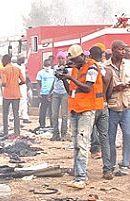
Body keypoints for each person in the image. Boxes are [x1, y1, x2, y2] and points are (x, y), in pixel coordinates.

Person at [60, 44, 104, 189]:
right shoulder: (74, 69)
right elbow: (70, 91)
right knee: (75, 144)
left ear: (82, 56)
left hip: (87, 109)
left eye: (75, 59)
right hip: (75, 108)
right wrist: (63, 79)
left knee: (82, 142)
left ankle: (81, 177)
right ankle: (77, 172)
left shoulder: (92, 67)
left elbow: (87, 88)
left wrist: (70, 78)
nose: (74, 62)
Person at [106, 40, 130, 176]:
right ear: (113, 50)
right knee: (110, 138)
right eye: (120, 49)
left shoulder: (129, 65)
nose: (123, 52)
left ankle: (125, 164)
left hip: (126, 105)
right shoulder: (105, 66)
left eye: (124, 50)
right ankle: (111, 164)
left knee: (128, 136)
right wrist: (116, 88)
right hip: (112, 106)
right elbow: (103, 88)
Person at [89, 45, 114, 180]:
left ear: (90, 56)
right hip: (104, 104)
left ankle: (80, 169)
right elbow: (110, 91)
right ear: (103, 55)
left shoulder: (90, 69)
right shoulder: (109, 71)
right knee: (105, 137)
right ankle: (107, 170)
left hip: (91, 105)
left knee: (85, 136)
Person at [0, 54, 25, 136]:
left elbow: (4, 83)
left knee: (5, 114)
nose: (2, 62)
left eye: (3, 61)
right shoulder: (17, 69)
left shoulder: (4, 70)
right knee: (16, 114)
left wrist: (1, 84)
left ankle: (5, 132)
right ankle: (17, 132)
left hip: (7, 95)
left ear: (5, 61)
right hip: (16, 94)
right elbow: (23, 81)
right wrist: (16, 84)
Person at [51, 51, 69, 140]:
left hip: (65, 93)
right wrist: (50, 91)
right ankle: (55, 133)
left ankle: (64, 134)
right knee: (54, 115)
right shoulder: (55, 68)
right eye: (59, 58)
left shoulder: (68, 68)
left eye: (62, 58)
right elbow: (54, 80)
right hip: (56, 92)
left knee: (64, 115)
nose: (60, 60)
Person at [36, 59, 55, 129]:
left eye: (48, 65)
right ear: (43, 65)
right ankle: (42, 125)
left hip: (52, 94)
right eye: (46, 65)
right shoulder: (40, 73)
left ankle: (53, 125)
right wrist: (38, 93)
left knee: (52, 111)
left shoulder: (53, 72)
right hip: (43, 94)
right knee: (43, 110)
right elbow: (38, 83)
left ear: (51, 65)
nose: (47, 67)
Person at [14, 57, 31, 123]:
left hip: (23, 86)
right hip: (16, 85)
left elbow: (26, 76)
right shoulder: (14, 66)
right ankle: (15, 116)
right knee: (16, 101)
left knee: (24, 101)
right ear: (19, 59)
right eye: (23, 59)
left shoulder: (23, 66)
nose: (24, 60)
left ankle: (25, 117)